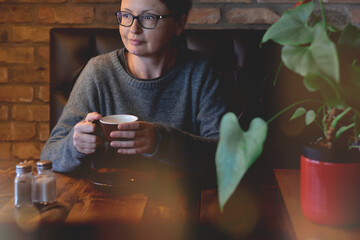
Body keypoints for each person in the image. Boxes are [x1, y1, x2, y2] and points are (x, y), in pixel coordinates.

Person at [41, 0, 229, 183]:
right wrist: (76, 146)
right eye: (126, 15)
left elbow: (226, 155)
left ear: (179, 24)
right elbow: (49, 156)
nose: (133, 29)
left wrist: (160, 141)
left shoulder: (200, 71)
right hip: (104, 200)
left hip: (178, 200)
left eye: (148, 17)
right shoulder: (99, 72)